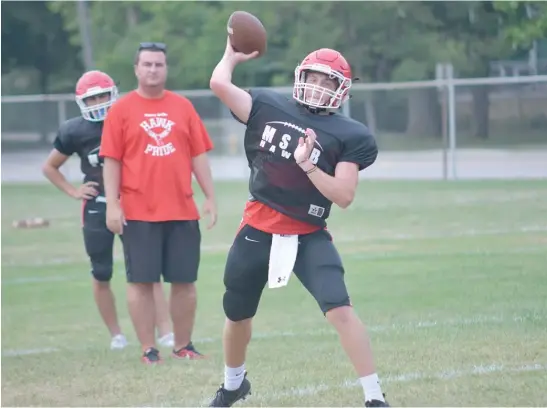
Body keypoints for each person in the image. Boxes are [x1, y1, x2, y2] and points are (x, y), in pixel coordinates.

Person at [207, 38, 390, 407]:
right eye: (315, 77)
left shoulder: (349, 134)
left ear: (341, 91)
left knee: (340, 309)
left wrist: (307, 164)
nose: (319, 87)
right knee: (237, 313)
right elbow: (219, 85)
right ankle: (233, 385)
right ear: (300, 75)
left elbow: (344, 195)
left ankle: (374, 397)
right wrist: (231, 54)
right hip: (258, 227)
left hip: (308, 234)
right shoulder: (268, 104)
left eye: (329, 82)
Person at [99, 42, 217, 364]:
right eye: (147, 64)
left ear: (166, 69)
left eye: (159, 64)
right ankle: (148, 349)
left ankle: (183, 345)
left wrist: (210, 196)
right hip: (138, 211)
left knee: (185, 282)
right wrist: (112, 204)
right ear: (136, 69)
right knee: (141, 281)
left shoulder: (183, 107)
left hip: (181, 210)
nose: (153, 69)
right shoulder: (120, 110)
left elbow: (198, 155)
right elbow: (111, 161)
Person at [42, 70, 175, 351]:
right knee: (101, 272)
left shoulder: (132, 118)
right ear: (82, 102)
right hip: (97, 207)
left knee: (147, 272)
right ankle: (116, 334)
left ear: (114, 93)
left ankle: (164, 331)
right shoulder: (74, 130)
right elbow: (49, 166)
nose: (100, 102)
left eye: (103, 95)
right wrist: (74, 191)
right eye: (93, 98)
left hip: (133, 205)